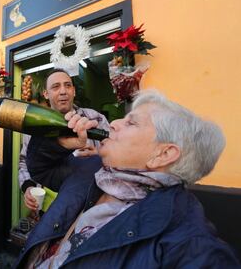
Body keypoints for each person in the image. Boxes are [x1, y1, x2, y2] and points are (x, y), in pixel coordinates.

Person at [15, 90, 241, 268]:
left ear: (163, 154)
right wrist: (58, 144)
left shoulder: (188, 240)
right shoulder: (93, 169)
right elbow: (42, 170)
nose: (113, 123)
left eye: (131, 122)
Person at [19, 69, 110, 211]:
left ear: (73, 91)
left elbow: (114, 151)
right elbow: (24, 162)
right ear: (46, 94)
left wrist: (99, 155)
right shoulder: (35, 129)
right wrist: (28, 187)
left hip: (90, 204)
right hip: (51, 206)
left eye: (68, 85)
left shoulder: (94, 118)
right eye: (55, 87)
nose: (63, 91)